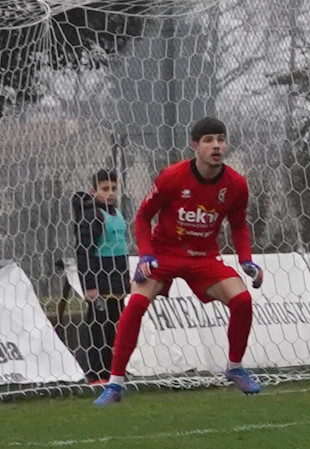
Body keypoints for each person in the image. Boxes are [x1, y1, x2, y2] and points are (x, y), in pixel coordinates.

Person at [94, 117, 265, 406]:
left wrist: (247, 260)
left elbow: (238, 226)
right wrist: (146, 255)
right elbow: (143, 218)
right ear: (195, 146)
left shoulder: (236, 184)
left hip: (204, 257)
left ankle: (235, 367)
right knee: (135, 304)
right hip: (164, 254)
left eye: (220, 139)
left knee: (243, 300)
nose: (216, 146)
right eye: (208, 140)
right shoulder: (172, 176)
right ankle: (115, 384)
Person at [72, 168, 130, 383]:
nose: (111, 193)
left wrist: (125, 280)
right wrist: (89, 285)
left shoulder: (117, 213)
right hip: (101, 278)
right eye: (105, 189)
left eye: (114, 188)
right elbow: (84, 251)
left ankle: (113, 371)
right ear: (94, 191)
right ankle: (96, 373)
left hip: (117, 278)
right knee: (98, 327)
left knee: (116, 326)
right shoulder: (92, 215)